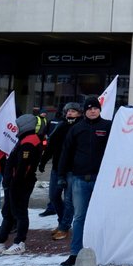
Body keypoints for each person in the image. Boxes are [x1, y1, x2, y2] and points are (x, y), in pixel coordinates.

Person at [56, 96, 111, 266]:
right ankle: (75, 253)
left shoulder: (108, 126)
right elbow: (66, 151)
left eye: (95, 108)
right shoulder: (76, 128)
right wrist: (61, 174)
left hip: (102, 180)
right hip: (79, 179)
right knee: (79, 217)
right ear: (85, 111)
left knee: (102, 217)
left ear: (99, 109)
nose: (93, 110)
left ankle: (103, 251)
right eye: (89, 108)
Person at [0, 114, 45, 254]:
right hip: (14, 183)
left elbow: (24, 166)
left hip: (20, 183)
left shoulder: (29, 142)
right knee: (8, 212)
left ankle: (19, 242)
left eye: (18, 124)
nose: (16, 127)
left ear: (25, 125)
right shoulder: (25, 139)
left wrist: (15, 182)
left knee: (19, 212)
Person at [39, 101, 83, 241]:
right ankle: (62, 221)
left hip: (72, 169)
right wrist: (43, 161)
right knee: (54, 196)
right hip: (57, 167)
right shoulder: (61, 126)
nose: (70, 113)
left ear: (79, 113)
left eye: (73, 111)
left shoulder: (81, 127)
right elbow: (51, 145)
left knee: (69, 200)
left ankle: (64, 227)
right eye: (68, 110)